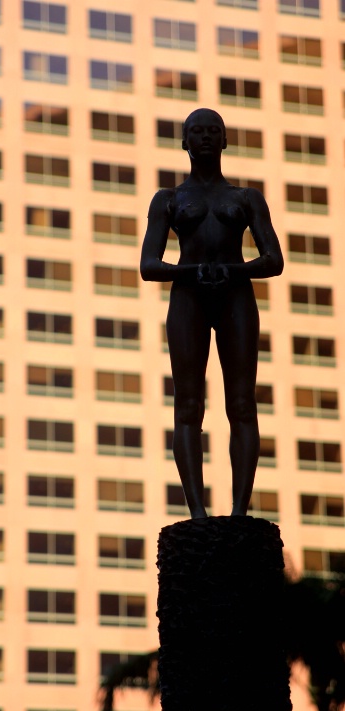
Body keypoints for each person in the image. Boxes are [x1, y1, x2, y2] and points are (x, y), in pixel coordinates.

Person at [140, 108, 283, 519]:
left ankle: (239, 511)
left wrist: (233, 270)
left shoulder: (245, 198)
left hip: (235, 297)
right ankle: (197, 514)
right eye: (196, 132)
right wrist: (193, 271)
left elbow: (273, 259)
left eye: (212, 131)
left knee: (242, 403)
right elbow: (149, 264)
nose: (204, 137)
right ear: (184, 142)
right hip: (189, 299)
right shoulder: (168, 200)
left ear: (224, 141)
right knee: (187, 405)